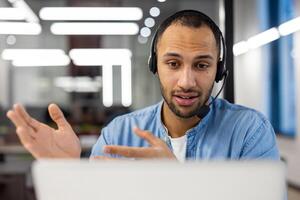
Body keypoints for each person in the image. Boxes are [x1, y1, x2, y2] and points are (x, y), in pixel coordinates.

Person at [6, 10, 279, 161]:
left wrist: (179, 186)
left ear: (219, 71)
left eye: (201, 65)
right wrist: (68, 174)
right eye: (173, 64)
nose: (186, 82)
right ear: (154, 65)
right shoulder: (118, 134)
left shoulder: (249, 132)